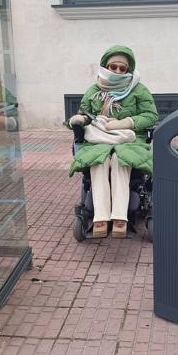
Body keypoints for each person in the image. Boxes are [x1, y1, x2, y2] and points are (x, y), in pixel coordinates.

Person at [65, 45, 158, 238]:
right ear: (105, 66)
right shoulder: (93, 90)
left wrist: (127, 122)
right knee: (99, 161)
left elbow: (151, 115)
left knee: (120, 160)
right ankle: (100, 218)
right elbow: (85, 113)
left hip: (130, 139)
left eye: (122, 68)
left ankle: (119, 218)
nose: (117, 71)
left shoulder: (138, 89)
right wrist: (79, 120)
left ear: (128, 70)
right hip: (99, 138)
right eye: (113, 66)